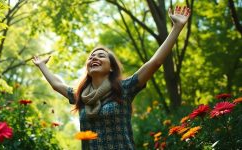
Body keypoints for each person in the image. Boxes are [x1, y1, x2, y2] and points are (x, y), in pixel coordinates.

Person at [32, 5, 190, 150]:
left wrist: (177, 27)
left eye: (101, 56)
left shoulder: (125, 88)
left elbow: (154, 63)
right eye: (91, 57)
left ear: (112, 67)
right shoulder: (82, 95)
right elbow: (56, 84)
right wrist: (42, 65)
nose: (94, 58)